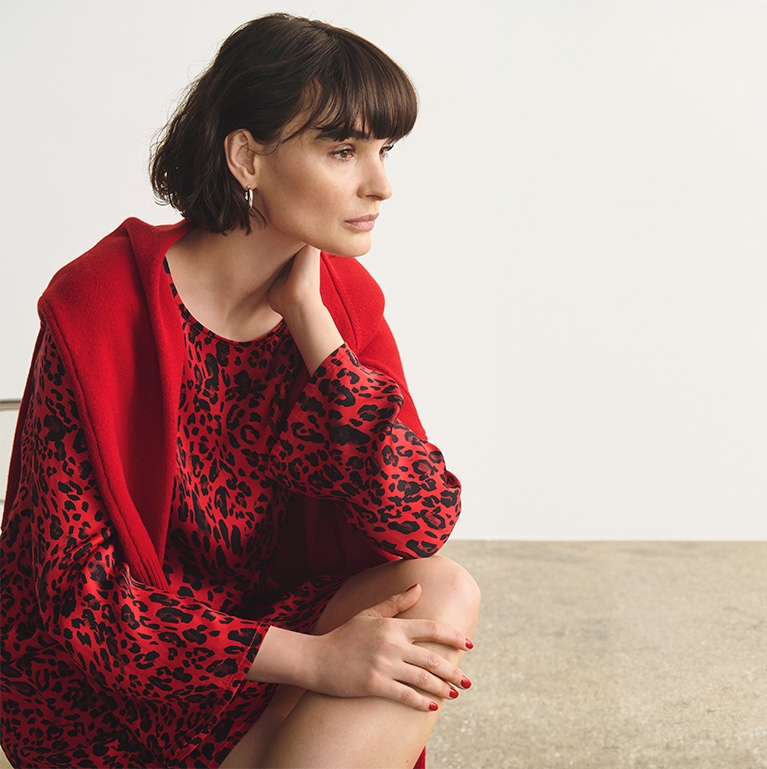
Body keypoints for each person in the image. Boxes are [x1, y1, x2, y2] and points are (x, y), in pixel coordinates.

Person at [0, 13, 480, 769]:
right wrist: (317, 661)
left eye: (383, 150)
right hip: (118, 688)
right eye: (341, 149)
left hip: (264, 647)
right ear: (246, 157)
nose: (381, 183)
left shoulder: (342, 302)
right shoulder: (99, 304)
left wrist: (316, 331)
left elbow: (417, 521)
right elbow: (74, 602)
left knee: (439, 590)